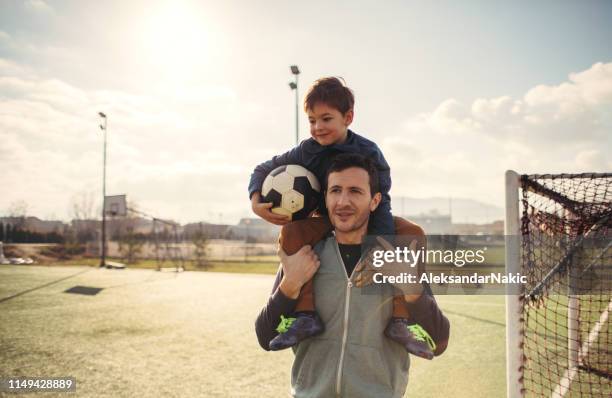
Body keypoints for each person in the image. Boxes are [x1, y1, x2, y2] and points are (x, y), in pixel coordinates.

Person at [249, 77, 434, 357]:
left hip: (369, 218)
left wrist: (376, 247)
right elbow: (262, 169)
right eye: (311, 120)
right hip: (327, 220)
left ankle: (400, 319)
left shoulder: (369, 152)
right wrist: (255, 201)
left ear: (348, 117)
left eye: (326, 119)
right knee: (292, 232)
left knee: (413, 233)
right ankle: (306, 316)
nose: (317, 127)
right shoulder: (306, 150)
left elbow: (382, 205)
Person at [255, 153, 450, 397]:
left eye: (355, 191)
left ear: (375, 201)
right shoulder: (304, 254)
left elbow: (439, 342)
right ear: (325, 198)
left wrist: (411, 289)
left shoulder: (397, 256)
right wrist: (290, 283)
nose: (343, 201)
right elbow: (265, 336)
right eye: (335, 190)